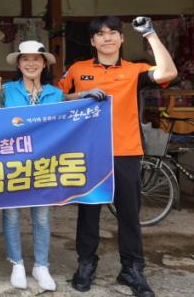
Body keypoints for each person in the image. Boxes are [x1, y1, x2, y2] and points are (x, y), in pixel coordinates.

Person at [59, 16, 177, 297]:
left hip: (125, 150)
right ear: (93, 41)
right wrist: (81, 95)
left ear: (122, 39)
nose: (107, 38)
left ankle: (132, 269)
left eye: (113, 33)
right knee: (89, 212)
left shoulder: (135, 70)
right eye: (100, 34)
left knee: (129, 214)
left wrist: (149, 34)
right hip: (88, 152)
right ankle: (86, 264)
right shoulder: (78, 69)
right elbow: (56, 98)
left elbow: (168, 73)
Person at [0, 40, 63, 291]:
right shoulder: (7, 90)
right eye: (25, 59)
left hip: (43, 164)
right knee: (11, 215)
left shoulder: (55, 94)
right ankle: (17, 264)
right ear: (18, 64)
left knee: (41, 217)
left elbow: (64, 126)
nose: (31, 63)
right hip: (13, 163)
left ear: (44, 64)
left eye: (36, 59)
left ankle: (41, 266)